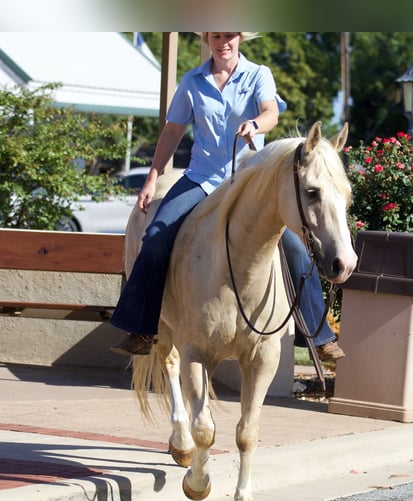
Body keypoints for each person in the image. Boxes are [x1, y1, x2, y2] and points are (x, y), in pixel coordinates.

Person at [109, 32, 345, 361]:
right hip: (201, 179)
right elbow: (173, 132)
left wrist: (255, 124)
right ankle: (142, 327)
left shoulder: (258, 74)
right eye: (216, 35)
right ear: (207, 39)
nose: (223, 42)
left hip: (249, 180)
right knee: (155, 238)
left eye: (229, 35)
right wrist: (152, 177)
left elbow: (271, 113)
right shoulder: (192, 81)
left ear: (239, 39)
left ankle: (320, 337)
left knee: (294, 246)